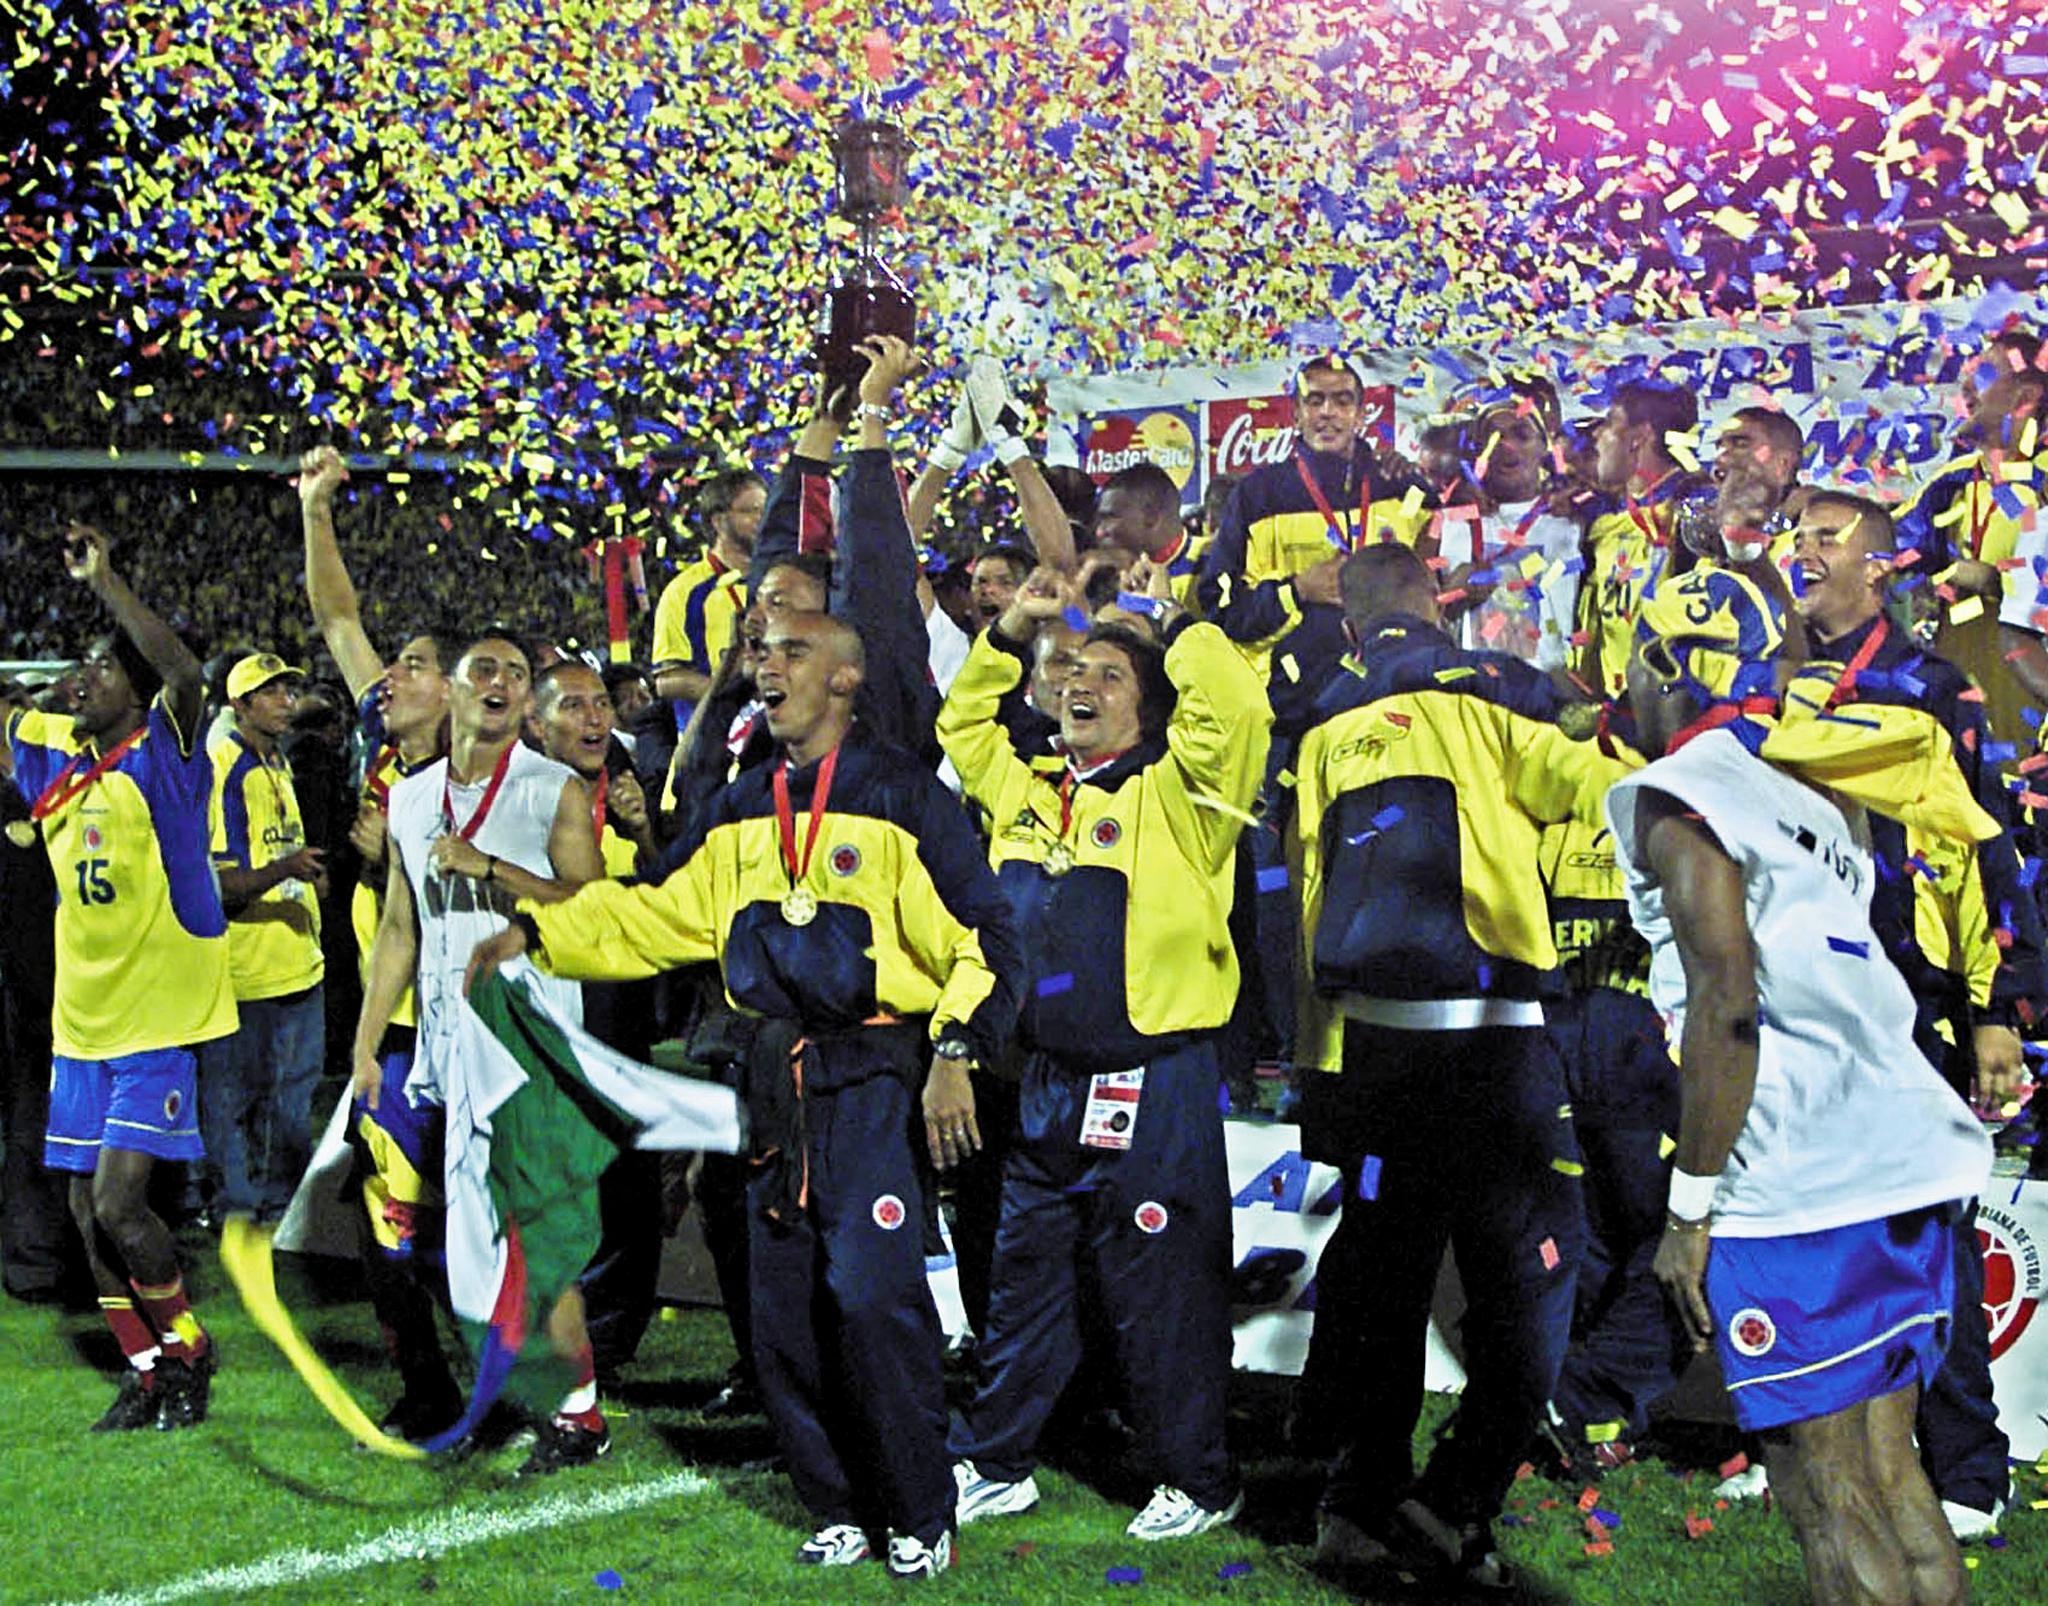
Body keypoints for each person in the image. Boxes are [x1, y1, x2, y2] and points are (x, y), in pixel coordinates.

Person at [466, 611, 1023, 1579]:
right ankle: (836, 1503)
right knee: (782, 1311)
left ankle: (918, 1507)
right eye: (762, 653)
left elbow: (987, 935)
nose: (767, 666)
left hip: (869, 1073)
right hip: (768, 1078)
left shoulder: (902, 795)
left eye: (793, 652)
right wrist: (539, 932)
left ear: (845, 678)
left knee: (872, 1297)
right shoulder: (736, 806)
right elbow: (657, 914)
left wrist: (953, 1048)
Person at [1612, 564, 2003, 1606]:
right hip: (1896, 1154)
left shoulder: (1686, 789)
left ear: (1667, 669)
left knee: (1822, 1487)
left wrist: (1689, 1211)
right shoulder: (1812, 780)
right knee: (1889, 1463)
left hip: (1798, 1177)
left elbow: (1727, 1004)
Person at [1290, 542, 1626, 1591]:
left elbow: (1306, 890)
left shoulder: (1323, 725)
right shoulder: (1486, 694)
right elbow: (1602, 790)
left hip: (1372, 1048)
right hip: (1492, 1044)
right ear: (1437, 604)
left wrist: (1317, 1064)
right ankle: (1453, 1500)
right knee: (1532, 1287)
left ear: (1353, 626)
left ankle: (1357, 1506)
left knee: (1382, 1288)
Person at [937, 565, 1270, 1541]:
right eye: (1075, 669)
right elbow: (962, 726)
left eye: (1110, 676)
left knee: (1162, 1287)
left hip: (1153, 1080)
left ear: (1151, 708)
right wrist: (1009, 628)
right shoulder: (1028, 788)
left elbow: (1238, 710)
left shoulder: (1186, 795)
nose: (1082, 682)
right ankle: (996, 1460)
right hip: (1045, 1081)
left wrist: (1171, 618)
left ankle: (1197, 1479)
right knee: (1024, 1278)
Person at [1778, 490, 2045, 1539]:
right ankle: (1817, 1445)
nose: (1803, 550)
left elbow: (1986, 846)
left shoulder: (1933, 685)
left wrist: (1994, 1009)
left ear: (1880, 567)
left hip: (1905, 996)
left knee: (1928, 1234)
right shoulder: (1768, 681)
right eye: (1796, 535)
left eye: (1826, 537)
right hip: (1798, 995)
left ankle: (1968, 1467)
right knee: (1808, 1232)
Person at [349, 630, 610, 1471]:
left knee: (533, 1231)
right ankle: (530, 1395)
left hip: (532, 1043)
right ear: (454, 692)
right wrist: (365, 1048)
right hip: (448, 1046)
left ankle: (579, 1417)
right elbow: (399, 929)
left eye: (516, 673)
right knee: (477, 1237)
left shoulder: (553, 789)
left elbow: (594, 911)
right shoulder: (412, 798)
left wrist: (490, 867)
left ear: (525, 702)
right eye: (483, 669)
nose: (500, 682)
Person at [4, 524, 235, 1430]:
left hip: (157, 1023)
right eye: (82, 667)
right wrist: (38, 693)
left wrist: (104, 581)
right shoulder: (55, 767)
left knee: (119, 1201)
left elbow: (185, 675)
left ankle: (191, 1351)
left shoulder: (163, 764)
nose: (84, 677)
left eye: (103, 668)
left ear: (133, 693)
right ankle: (145, 1371)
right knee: (82, 1212)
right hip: (81, 1026)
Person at [1196, 354, 1435, 1070]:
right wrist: (1296, 591)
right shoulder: (1259, 494)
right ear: (1295, 413)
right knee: (1281, 892)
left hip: (1391, 721)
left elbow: (1443, 587)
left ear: (1363, 410)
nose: (1329, 413)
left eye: (1342, 400)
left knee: (1388, 875)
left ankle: (1384, 1046)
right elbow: (1219, 609)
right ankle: (1291, 1050)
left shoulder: (1400, 489)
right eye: (1315, 401)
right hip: (1291, 730)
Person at [298, 444, 461, 1438]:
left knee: (480, 1218)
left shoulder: (486, 771)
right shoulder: (384, 746)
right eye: (395, 664)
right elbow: (337, 620)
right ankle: (429, 1387)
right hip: (391, 1031)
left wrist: (393, 856)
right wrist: (316, 510)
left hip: (468, 1029)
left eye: (416, 665)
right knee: (388, 1214)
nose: (390, 676)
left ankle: (546, 1390)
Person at [529, 660, 665, 1377]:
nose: (594, 719)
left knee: (622, 1175)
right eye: (574, 706)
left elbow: (668, 893)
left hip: (617, 1007)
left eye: (601, 705)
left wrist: (643, 831)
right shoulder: (517, 798)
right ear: (536, 722)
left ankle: (611, 1336)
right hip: (545, 1000)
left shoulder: (627, 792)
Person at [201, 651, 328, 1222]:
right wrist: (287, 868)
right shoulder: (224, 768)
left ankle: (279, 1203)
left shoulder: (276, 761)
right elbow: (223, 883)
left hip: (299, 957)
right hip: (250, 967)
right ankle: (236, 1204)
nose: (286, 701)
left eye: (288, 690)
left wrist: (308, 877)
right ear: (240, 704)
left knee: (292, 1098)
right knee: (238, 1097)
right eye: (271, 692)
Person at [1433, 380, 1585, 668]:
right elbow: (1418, 618)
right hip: (1469, 689)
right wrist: (1450, 598)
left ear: (1544, 446)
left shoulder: (1574, 519)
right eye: (1493, 436)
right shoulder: (1449, 521)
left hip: (1548, 688)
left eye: (1521, 434)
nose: (1507, 445)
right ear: (1478, 451)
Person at [1576, 379, 1700, 698]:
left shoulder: (1695, 516)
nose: (1596, 435)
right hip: (1611, 709)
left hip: (1671, 707)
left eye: (1609, 423)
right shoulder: (1599, 521)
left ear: (1638, 438)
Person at [650, 468, 763, 709]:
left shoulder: (778, 582)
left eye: (765, 510)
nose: (761, 519)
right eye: (749, 511)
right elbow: (667, 680)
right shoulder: (685, 590)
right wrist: (734, 700)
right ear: (719, 521)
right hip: (716, 726)